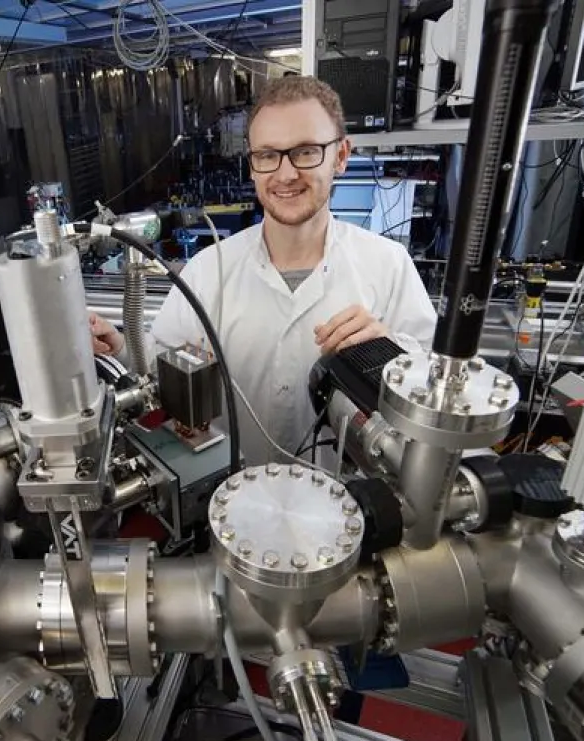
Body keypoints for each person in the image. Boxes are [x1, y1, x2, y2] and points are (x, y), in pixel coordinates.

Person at [90, 76, 436, 465]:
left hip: (347, 506)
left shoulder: (387, 265)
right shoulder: (209, 268)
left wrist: (389, 354)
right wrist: (118, 343)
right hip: (231, 500)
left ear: (341, 156)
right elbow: (164, 365)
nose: (286, 174)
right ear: (252, 165)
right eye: (268, 155)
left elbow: (435, 390)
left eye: (305, 152)